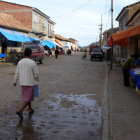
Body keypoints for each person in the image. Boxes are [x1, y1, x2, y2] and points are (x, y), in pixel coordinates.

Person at [14, 48, 39, 119]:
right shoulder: (32, 63)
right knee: (28, 98)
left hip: (22, 83)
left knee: (27, 96)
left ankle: (30, 109)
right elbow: (36, 74)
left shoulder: (20, 62)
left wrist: (15, 81)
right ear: (30, 54)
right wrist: (37, 80)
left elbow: (17, 73)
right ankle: (20, 111)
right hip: (30, 83)